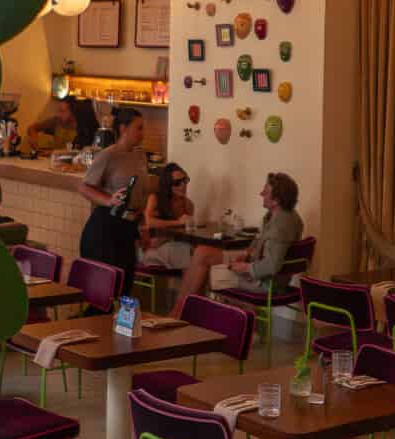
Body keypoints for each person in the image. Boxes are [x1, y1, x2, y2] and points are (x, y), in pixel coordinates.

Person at [172, 171, 303, 315]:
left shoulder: (281, 226)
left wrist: (245, 267)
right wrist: (246, 254)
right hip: (255, 264)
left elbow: (271, 266)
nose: (261, 194)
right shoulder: (285, 215)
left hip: (263, 283)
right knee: (201, 252)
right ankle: (184, 313)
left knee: (205, 271)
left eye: (265, 192)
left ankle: (181, 314)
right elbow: (266, 250)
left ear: (276, 200)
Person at [77, 107, 149, 290]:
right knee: (104, 290)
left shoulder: (140, 156)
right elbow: (84, 187)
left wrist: (142, 225)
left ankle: (120, 311)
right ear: (123, 129)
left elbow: (140, 194)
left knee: (125, 286)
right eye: (139, 128)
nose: (143, 133)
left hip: (128, 229)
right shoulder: (108, 155)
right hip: (105, 229)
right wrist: (109, 200)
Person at [137, 163, 195, 272]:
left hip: (172, 244)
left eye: (185, 180)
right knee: (186, 252)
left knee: (195, 251)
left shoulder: (188, 204)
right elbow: (149, 222)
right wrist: (178, 222)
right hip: (151, 249)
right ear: (167, 184)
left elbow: (186, 232)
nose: (183, 185)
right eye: (177, 183)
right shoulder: (155, 198)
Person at [28, 97, 98, 151]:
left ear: (73, 111)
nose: (58, 114)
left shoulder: (83, 127)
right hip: (51, 159)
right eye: (58, 111)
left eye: (62, 111)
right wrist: (33, 137)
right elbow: (33, 127)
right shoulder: (56, 120)